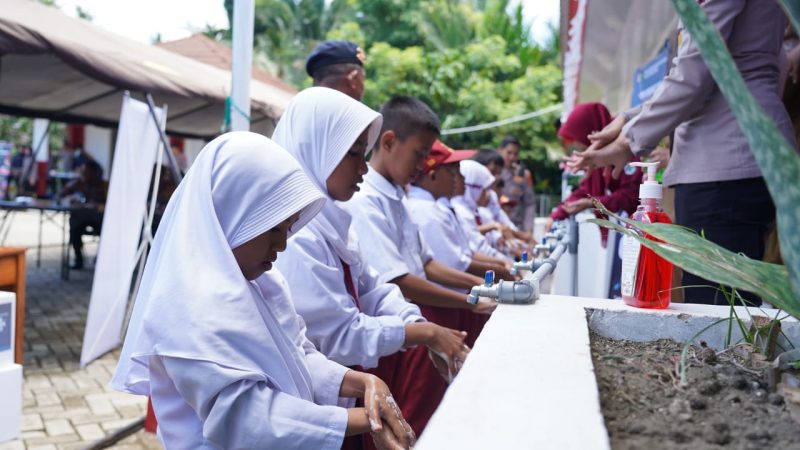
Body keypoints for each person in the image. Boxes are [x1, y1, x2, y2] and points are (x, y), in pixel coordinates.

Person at [111, 132, 414, 450]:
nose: (282, 244)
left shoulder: (263, 283)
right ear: (234, 213)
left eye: (287, 229)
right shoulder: (185, 307)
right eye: (272, 228)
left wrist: (362, 382)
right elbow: (246, 419)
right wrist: (367, 418)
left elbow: (298, 356)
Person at [569, 0, 795, 306]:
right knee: (727, 309)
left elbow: (694, 73)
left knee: (717, 314)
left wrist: (629, 140)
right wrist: (626, 121)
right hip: (743, 156)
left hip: (722, 164)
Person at [273, 87, 467, 381]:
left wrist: (414, 322)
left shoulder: (332, 222)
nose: (363, 167)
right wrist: (422, 331)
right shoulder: (297, 235)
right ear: (316, 149)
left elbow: (373, 288)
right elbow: (338, 335)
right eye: (353, 153)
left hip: (355, 376)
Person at [345, 96, 496, 436]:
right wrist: (469, 299)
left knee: (425, 414)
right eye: (419, 153)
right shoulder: (365, 200)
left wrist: (477, 291)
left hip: (414, 318)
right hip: (396, 327)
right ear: (388, 142)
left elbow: (426, 263)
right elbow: (400, 279)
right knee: (406, 420)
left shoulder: (399, 197)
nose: (423, 164)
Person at [548, 103, 643, 237]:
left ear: (591, 131)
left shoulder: (627, 147)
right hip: (623, 231)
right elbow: (586, 191)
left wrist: (592, 203)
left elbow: (632, 196)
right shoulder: (598, 157)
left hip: (641, 230)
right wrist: (557, 214)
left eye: (577, 138)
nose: (577, 144)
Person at [57, 159, 107, 270]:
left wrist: (99, 205)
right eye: (84, 171)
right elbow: (60, 196)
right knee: (74, 228)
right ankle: (78, 259)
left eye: (87, 171)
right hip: (81, 218)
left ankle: (101, 258)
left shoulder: (104, 186)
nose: (84, 173)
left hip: (99, 219)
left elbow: (110, 203)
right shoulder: (78, 183)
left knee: (106, 232)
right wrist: (71, 198)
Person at [498, 136, 536, 231]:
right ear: (500, 150)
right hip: (497, 227)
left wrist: (528, 230)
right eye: (509, 153)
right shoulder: (492, 172)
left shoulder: (523, 175)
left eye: (516, 154)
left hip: (517, 227)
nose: (512, 157)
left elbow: (529, 204)